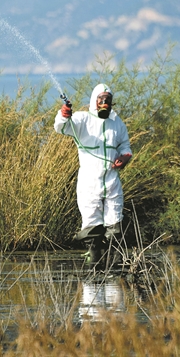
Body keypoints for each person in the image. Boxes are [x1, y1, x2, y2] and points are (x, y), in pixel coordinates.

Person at [54, 83, 132, 270]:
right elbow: (61, 127)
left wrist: (125, 156)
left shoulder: (116, 122)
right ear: (94, 100)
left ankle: (115, 270)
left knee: (115, 227)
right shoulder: (82, 119)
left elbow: (125, 145)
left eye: (108, 99)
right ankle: (93, 269)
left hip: (112, 181)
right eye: (101, 99)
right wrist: (63, 114)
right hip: (89, 181)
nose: (104, 102)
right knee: (92, 227)